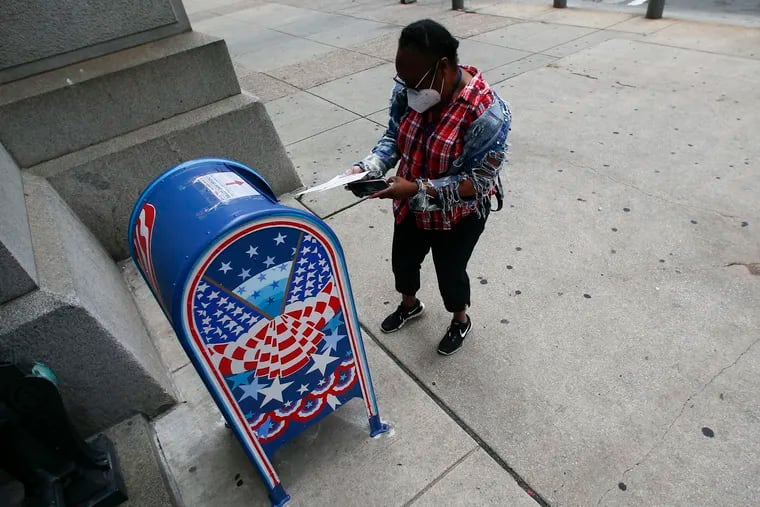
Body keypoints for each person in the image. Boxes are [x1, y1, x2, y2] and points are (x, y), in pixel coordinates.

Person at [347, 19, 511, 356]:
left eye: (414, 82)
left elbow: (477, 183)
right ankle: (410, 304)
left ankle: (460, 319)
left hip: (459, 215)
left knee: (451, 272)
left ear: (445, 67)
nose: (407, 91)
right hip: (409, 203)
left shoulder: (487, 113)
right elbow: (393, 137)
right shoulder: (410, 89)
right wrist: (369, 167)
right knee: (403, 262)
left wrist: (417, 189)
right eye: (402, 81)